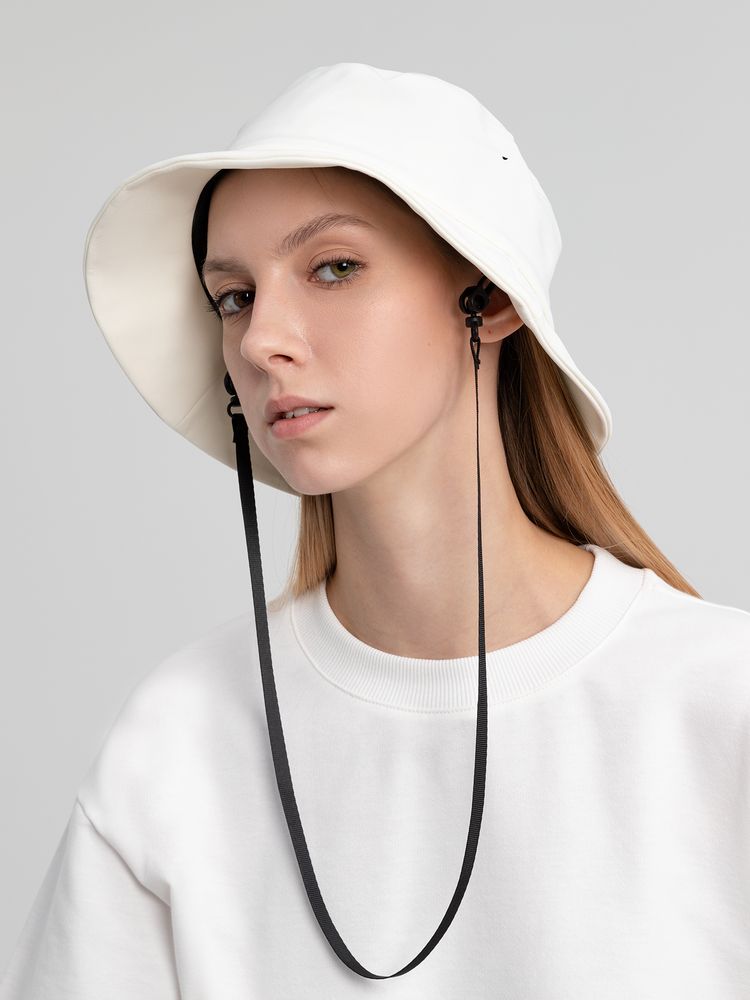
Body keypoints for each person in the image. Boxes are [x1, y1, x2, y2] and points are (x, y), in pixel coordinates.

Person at [2, 62, 750, 998]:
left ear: (490, 297)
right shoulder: (180, 743)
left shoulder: (720, 708)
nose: (260, 340)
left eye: (334, 268)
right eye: (234, 296)